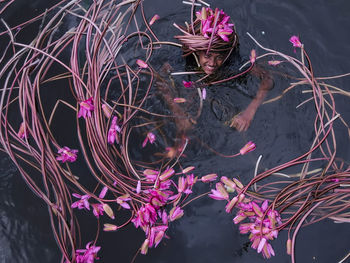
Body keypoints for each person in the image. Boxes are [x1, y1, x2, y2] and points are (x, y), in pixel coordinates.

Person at [174, 7, 274, 132]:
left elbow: (267, 78)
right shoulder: (186, 59)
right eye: (207, 55)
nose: (212, 63)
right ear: (197, 51)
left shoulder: (234, 62)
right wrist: (177, 112)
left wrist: (250, 111)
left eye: (219, 57)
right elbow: (162, 78)